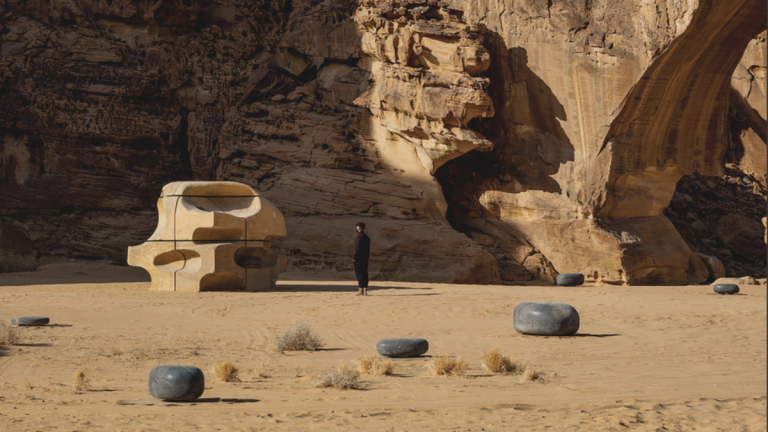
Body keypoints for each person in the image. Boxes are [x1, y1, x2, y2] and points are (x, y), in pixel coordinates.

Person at [353, 222, 370, 296]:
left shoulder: (359, 237)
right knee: (365, 273)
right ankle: (365, 290)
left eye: (357, 226)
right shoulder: (367, 237)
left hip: (359, 258)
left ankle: (360, 289)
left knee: (359, 273)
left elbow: (357, 249)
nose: (356, 227)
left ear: (359, 228)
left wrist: (354, 257)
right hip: (365, 258)